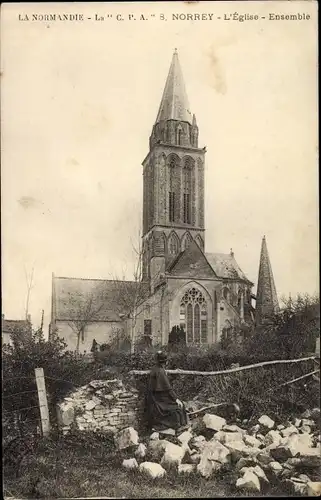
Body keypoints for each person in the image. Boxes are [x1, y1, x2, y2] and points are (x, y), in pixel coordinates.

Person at [146, 351, 189, 433]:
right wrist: (176, 399)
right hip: (159, 399)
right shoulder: (161, 372)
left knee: (178, 404)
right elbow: (168, 389)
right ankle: (178, 426)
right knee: (179, 405)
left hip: (155, 397)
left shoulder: (155, 369)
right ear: (165, 362)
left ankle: (179, 425)